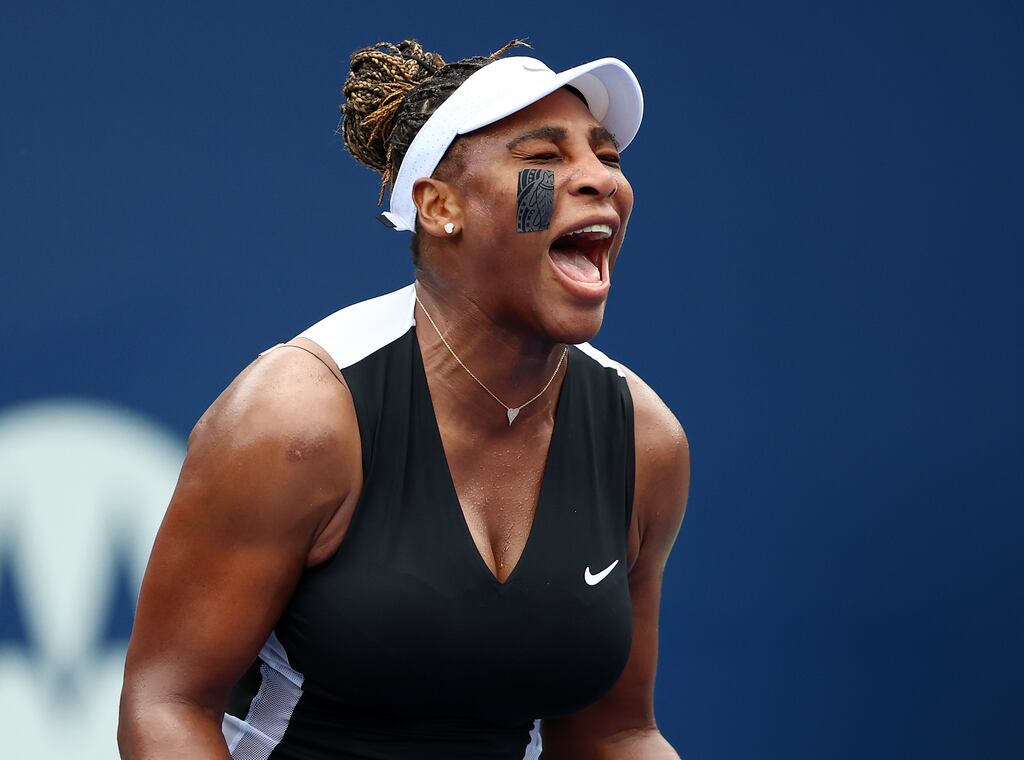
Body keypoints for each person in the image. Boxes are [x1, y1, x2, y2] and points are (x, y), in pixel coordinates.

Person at [118, 39, 691, 760]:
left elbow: (614, 731)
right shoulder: (300, 418)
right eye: (543, 159)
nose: (599, 180)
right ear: (439, 206)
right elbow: (166, 705)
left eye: (606, 157)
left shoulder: (644, 441)